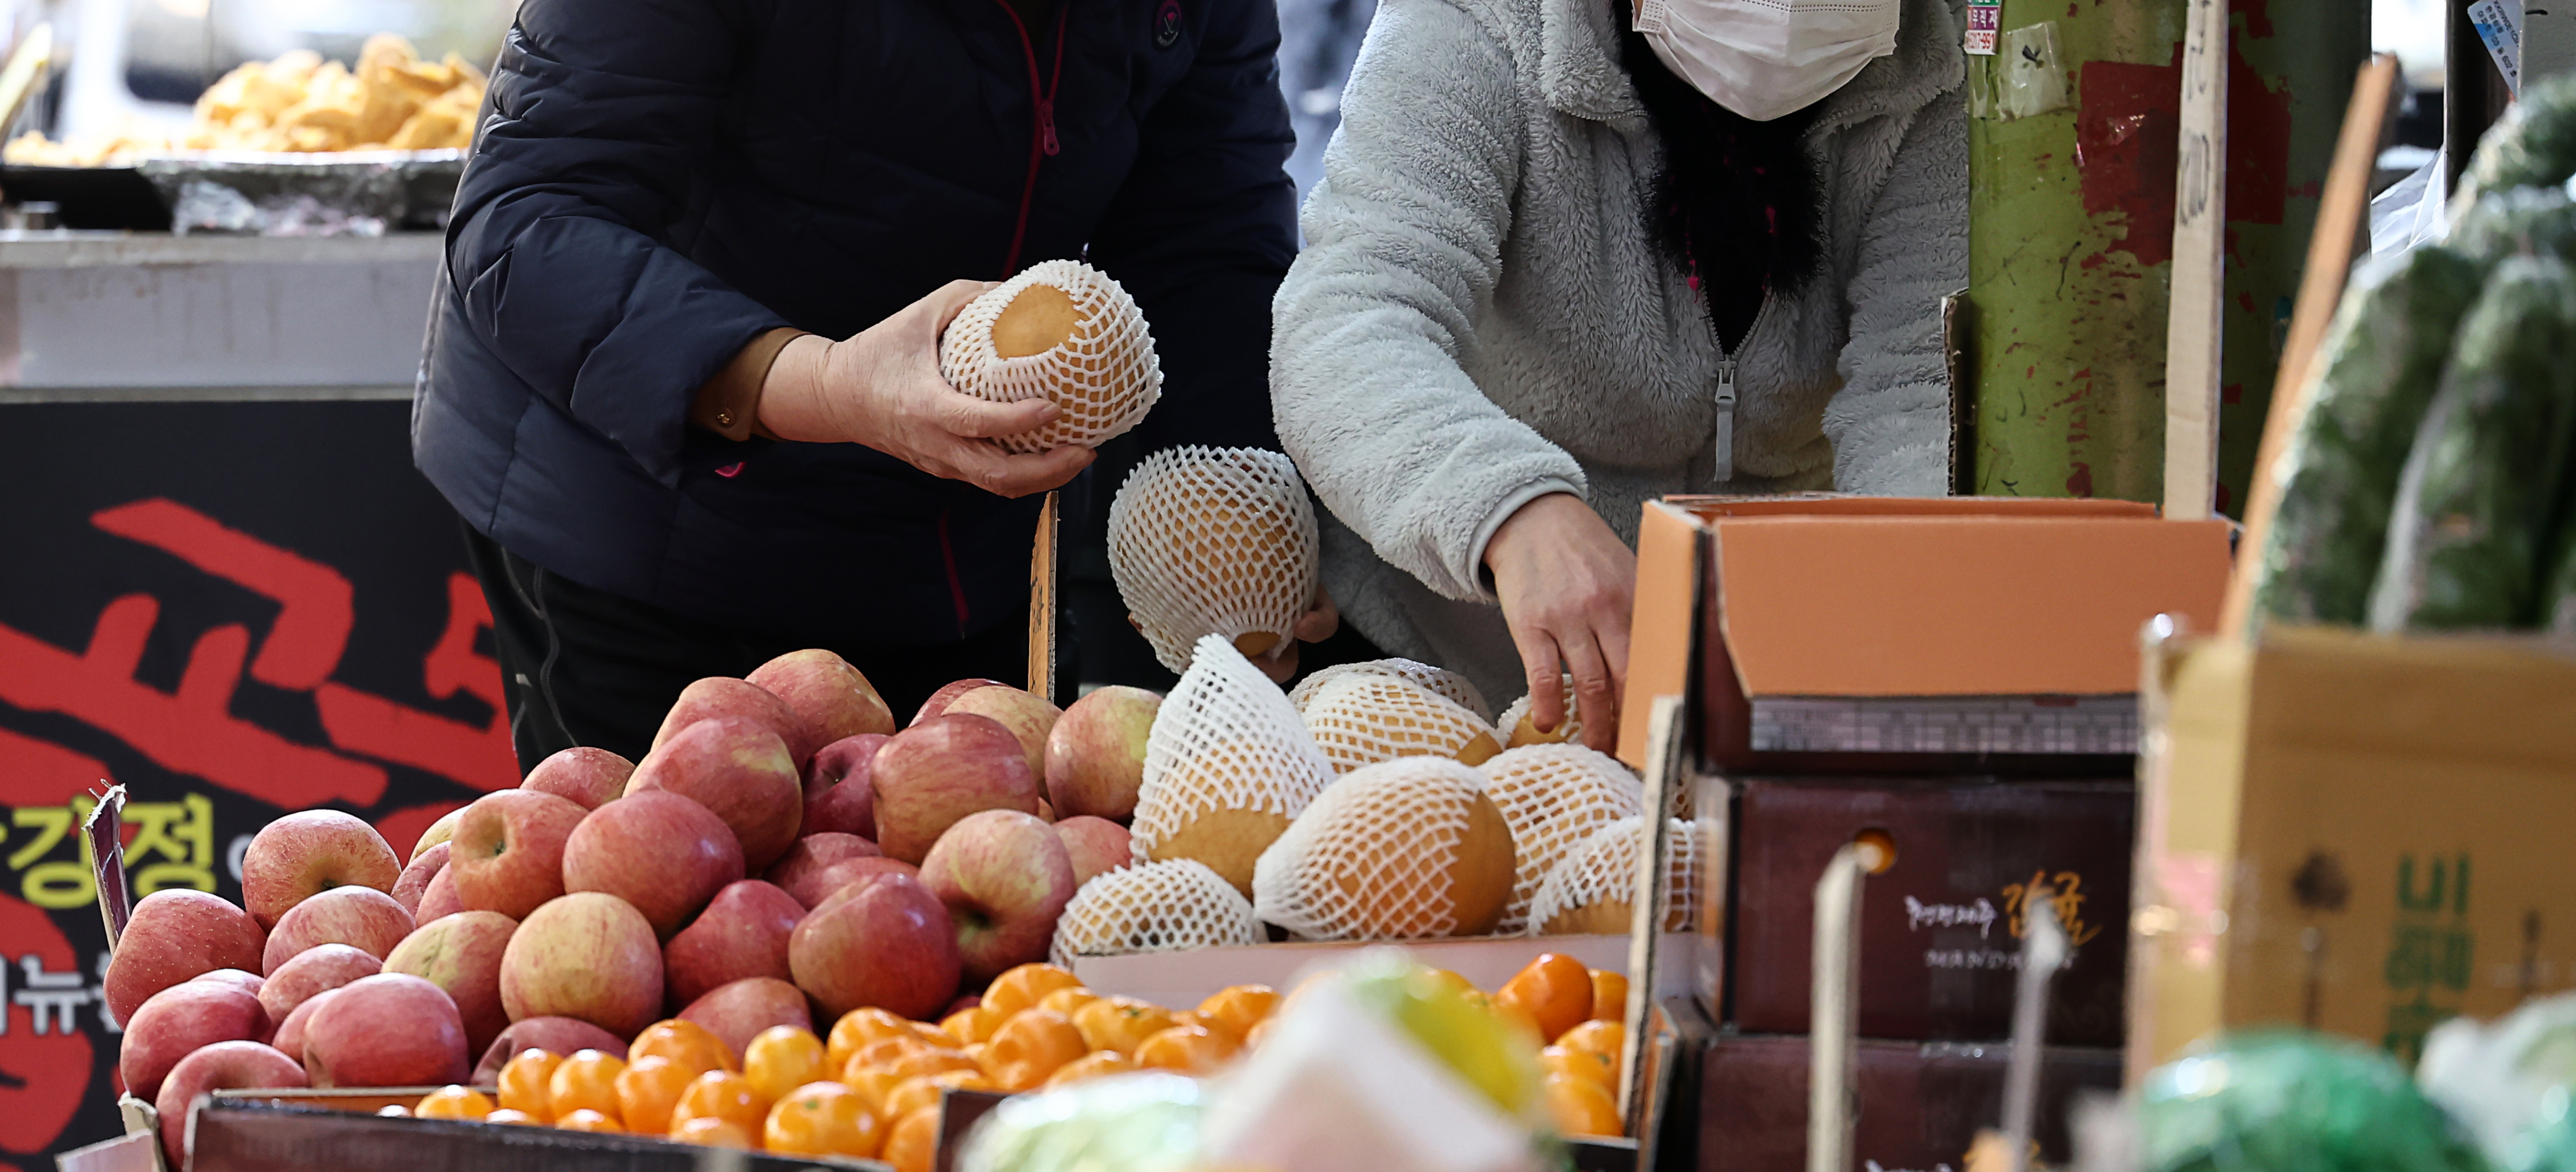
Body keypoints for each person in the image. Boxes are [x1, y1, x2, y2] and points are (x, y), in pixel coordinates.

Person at [413, 0, 1308, 768]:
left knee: (955, 914)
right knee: (698, 915)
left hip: (970, 529)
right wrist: (830, 384)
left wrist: (1238, 533)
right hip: (655, 518)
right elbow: (525, 227)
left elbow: (1206, 245)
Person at [1269, 0, 1965, 746]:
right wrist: (1509, 509)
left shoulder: (1939, 62)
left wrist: (1897, 639)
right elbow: (1350, 317)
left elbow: (1917, 390)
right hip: (1422, 677)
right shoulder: (1484, 21)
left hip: (1753, 698)